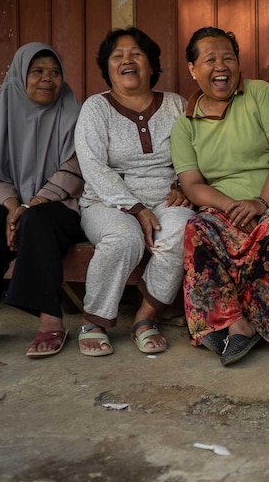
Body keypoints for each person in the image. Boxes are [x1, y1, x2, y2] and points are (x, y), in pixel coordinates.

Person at [172, 27, 269, 367]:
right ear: (193, 69)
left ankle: (267, 323)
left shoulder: (259, 94)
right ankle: (231, 321)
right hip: (224, 206)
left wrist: (261, 202)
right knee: (198, 228)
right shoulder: (186, 124)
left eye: (228, 57)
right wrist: (230, 206)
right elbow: (192, 183)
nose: (221, 66)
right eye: (209, 59)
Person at [74, 27, 194, 357]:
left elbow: (196, 152)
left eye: (136, 53)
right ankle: (94, 321)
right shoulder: (95, 108)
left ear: (151, 64)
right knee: (125, 237)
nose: (127, 60)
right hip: (107, 202)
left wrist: (186, 185)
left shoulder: (175, 105)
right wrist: (137, 208)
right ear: (107, 67)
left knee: (181, 229)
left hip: (166, 197)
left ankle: (145, 318)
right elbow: (94, 168)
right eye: (118, 56)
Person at [0, 42, 84, 358]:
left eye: (55, 72)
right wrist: (11, 208)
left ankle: (51, 318)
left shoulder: (74, 113)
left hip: (65, 209)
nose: (47, 79)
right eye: (37, 72)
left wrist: (29, 206)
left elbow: (75, 170)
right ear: (20, 76)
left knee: (37, 220)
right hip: (18, 208)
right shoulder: (6, 109)